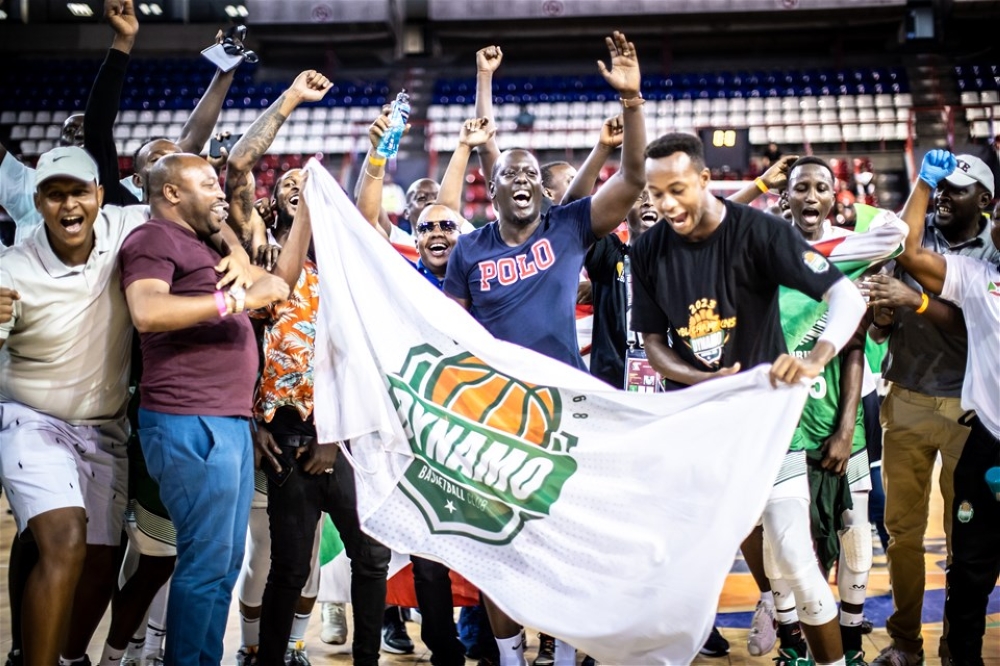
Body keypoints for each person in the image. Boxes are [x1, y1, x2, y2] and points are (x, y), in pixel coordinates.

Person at [445, 31, 647, 666]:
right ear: (493, 184)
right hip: (496, 412)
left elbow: (635, 177)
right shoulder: (468, 249)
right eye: (512, 174)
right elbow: (450, 333)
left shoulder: (569, 226)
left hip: (565, 407)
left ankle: (560, 652)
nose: (524, 180)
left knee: (563, 540)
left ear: (544, 189)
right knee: (502, 547)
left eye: (533, 174)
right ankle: (508, 656)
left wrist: (634, 101)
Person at [631, 134, 867, 666]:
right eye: (655, 193)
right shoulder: (647, 249)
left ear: (705, 180)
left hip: (764, 426)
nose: (665, 205)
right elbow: (652, 347)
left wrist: (816, 357)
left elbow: (845, 296)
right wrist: (701, 379)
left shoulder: (760, 232)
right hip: (695, 428)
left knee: (797, 561)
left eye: (677, 190)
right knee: (674, 571)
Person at [117, 153, 297, 662]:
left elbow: (233, 243)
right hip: (189, 419)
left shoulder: (199, 240)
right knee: (205, 562)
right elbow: (148, 311)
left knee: (224, 560)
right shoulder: (152, 238)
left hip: (226, 421)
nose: (221, 193)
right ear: (171, 193)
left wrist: (236, 252)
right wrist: (237, 301)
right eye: (207, 184)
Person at [0, 146, 146, 666]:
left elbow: (193, 205)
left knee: (103, 562)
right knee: (65, 544)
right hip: (31, 421)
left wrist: (242, 253)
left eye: (78, 191)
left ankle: (67, 657)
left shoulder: (129, 224)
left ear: (100, 195)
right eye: (55, 194)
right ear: (36, 202)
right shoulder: (11, 268)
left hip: (105, 430)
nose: (69, 205)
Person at [864, 152, 999, 666]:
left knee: (966, 542)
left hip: (973, 414)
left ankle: (955, 648)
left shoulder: (996, 250)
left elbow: (981, 321)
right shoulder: (914, 235)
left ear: (984, 201)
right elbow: (883, 314)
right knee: (902, 535)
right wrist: (881, 314)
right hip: (907, 398)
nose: (942, 195)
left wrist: (912, 299)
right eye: (938, 188)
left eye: (955, 189)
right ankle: (904, 642)